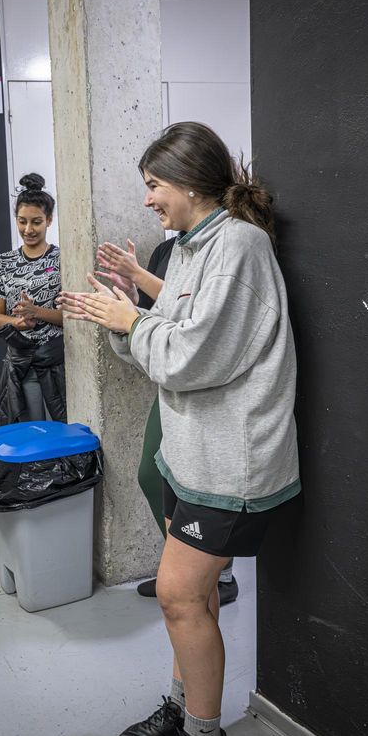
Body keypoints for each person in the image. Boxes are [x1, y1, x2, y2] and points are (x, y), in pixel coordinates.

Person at [60, 122, 299, 736]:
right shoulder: (195, 246)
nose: (147, 200)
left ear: (190, 183)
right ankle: (186, 708)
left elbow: (190, 356)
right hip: (194, 455)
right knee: (188, 601)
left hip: (232, 463)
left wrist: (132, 317)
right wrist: (126, 312)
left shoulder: (240, 246)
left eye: (154, 185)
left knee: (178, 595)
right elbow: (171, 334)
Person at [96, 238, 239, 604]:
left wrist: (139, 278)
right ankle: (186, 568)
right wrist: (129, 298)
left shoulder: (229, 248)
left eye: (157, 186)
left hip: (208, 392)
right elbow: (152, 324)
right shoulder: (165, 252)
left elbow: (195, 322)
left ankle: (216, 575)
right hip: (171, 388)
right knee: (151, 474)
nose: (150, 200)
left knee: (198, 487)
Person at [0, 173, 66, 425]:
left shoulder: (62, 259)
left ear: (49, 220)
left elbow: (71, 317)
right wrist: (18, 323)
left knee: (61, 430)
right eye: (22, 221)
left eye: (36, 222)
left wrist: (36, 312)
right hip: (21, 364)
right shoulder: (3, 263)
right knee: (32, 430)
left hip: (57, 362)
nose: (28, 230)